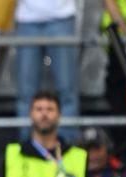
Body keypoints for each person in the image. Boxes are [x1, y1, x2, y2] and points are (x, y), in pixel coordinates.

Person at [13, 0, 79, 141]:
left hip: (62, 16)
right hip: (27, 18)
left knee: (67, 89)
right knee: (26, 92)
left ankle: (66, 145)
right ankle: (26, 144)